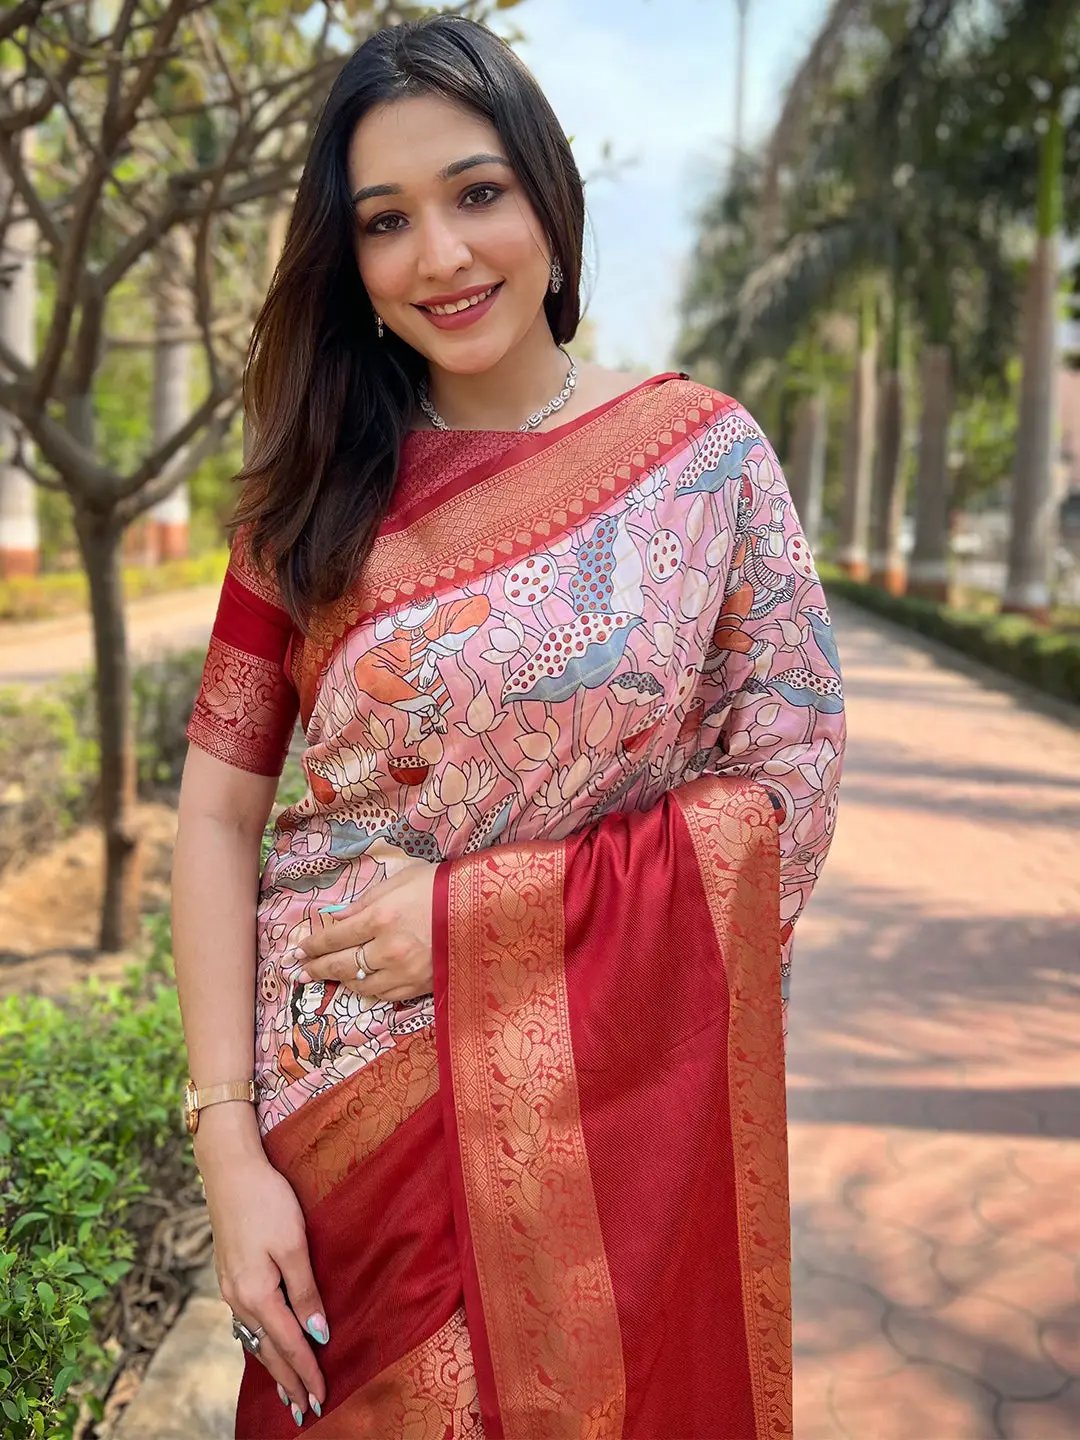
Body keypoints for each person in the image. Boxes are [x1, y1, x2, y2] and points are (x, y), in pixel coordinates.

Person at [171, 13, 846, 1439]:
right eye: (385, 221)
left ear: (548, 193)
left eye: (477, 193)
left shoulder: (700, 459)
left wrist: (481, 922)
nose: (443, 255)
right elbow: (221, 811)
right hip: (342, 1129)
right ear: (348, 261)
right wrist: (229, 1146)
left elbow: (785, 785)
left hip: (598, 1119)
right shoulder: (304, 495)